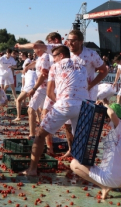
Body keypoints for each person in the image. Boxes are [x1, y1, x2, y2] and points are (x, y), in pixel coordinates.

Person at [21, 45, 88, 176]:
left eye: (55, 56)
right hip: (82, 106)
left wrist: (60, 102)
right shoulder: (82, 66)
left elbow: (49, 92)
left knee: (40, 135)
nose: (53, 59)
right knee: (81, 140)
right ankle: (83, 171)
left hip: (65, 104)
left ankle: (32, 169)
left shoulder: (55, 67)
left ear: (61, 56)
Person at [69, 102, 121, 199]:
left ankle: (104, 187)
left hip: (110, 176)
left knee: (74, 163)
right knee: (101, 168)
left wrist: (105, 104)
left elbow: (112, 114)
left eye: (107, 117)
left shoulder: (120, 125)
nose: (107, 119)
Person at [24, 41, 51, 141]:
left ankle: (32, 134)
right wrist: (27, 66)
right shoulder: (42, 57)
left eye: (34, 48)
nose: (33, 51)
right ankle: (43, 134)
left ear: (39, 48)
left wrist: (34, 89)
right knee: (43, 112)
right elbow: (36, 62)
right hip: (44, 88)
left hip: (42, 88)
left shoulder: (44, 57)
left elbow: (43, 75)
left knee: (31, 109)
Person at [13, 52, 35, 121]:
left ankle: (18, 116)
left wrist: (20, 71)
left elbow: (24, 71)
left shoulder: (28, 68)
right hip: (33, 87)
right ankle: (38, 118)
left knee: (18, 100)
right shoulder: (34, 72)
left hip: (28, 87)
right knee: (34, 103)